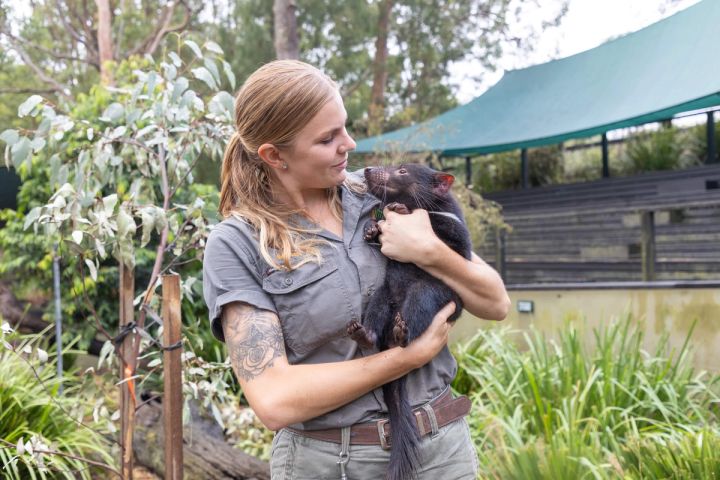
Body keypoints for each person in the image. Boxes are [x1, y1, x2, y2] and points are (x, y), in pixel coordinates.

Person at [202, 59, 510, 480]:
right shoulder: (238, 243)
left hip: (442, 452)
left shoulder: (379, 195)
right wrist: (405, 358)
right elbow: (275, 400)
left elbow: (495, 302)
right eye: (328, 138)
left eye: (344, 126)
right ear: (275, 155)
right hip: (332, 464)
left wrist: (432, 253)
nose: (349, 143)